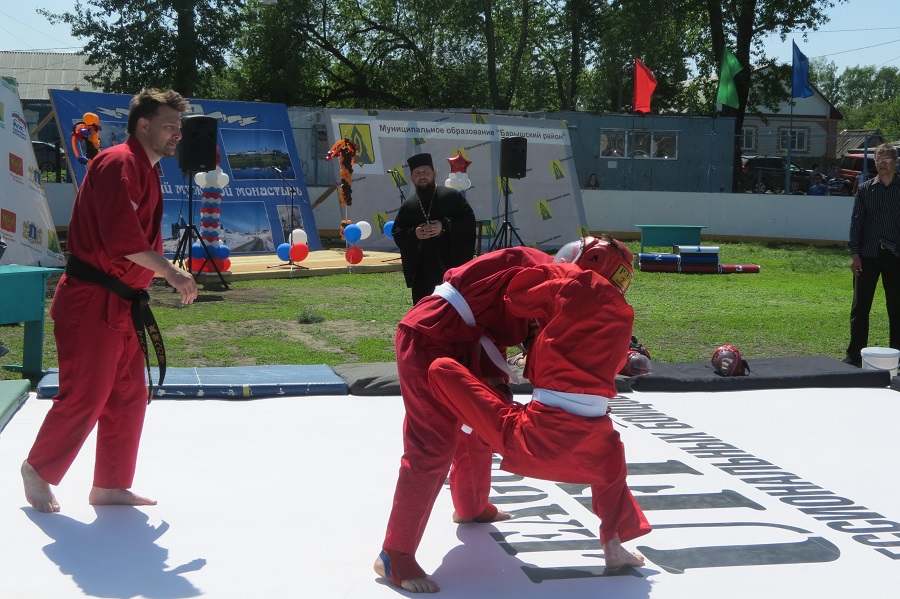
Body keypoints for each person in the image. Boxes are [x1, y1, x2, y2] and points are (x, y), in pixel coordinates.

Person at [374, 236, 633, 593]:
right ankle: (395, 554)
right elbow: (520, 308)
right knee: (432, 445)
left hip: (473, 337)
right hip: (432, 335)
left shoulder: (552, 278)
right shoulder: (541, 272)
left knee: (483, 425)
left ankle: (471, 506)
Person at [21, 88, 198, 513]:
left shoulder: (145, 169)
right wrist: (171, 271)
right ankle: (37, 469)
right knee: (86, 393)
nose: (177, 133)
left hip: (122, 302)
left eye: (178, 126)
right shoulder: (118, 162)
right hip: (91, 300)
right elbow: (123, 241)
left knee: (128, 394)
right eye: (169, 125)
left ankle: (110, 485)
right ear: (144, 125)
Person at [391, 153, 476, 304]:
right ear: (411, 177)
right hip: (423, 272)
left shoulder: (452, 197)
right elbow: (398, 233)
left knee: (451, 309)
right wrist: (414, 233)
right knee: (425, 309)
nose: (422, 176)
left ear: (434, 173)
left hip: (451, 265)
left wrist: (444, 226)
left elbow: (468, 222)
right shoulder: (408, 206)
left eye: (426, 172)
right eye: (417, 173)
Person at [844, 143, 900, 367]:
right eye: (878, 160)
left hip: (895, 256)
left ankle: (897, 355)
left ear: (895, 162)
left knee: (896, 308)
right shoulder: (865, 189)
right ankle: (854, 355)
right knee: (860, 307)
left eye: (886, 160)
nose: (882, 165)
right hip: (867, 256)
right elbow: (856, 222)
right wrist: (855, 253)